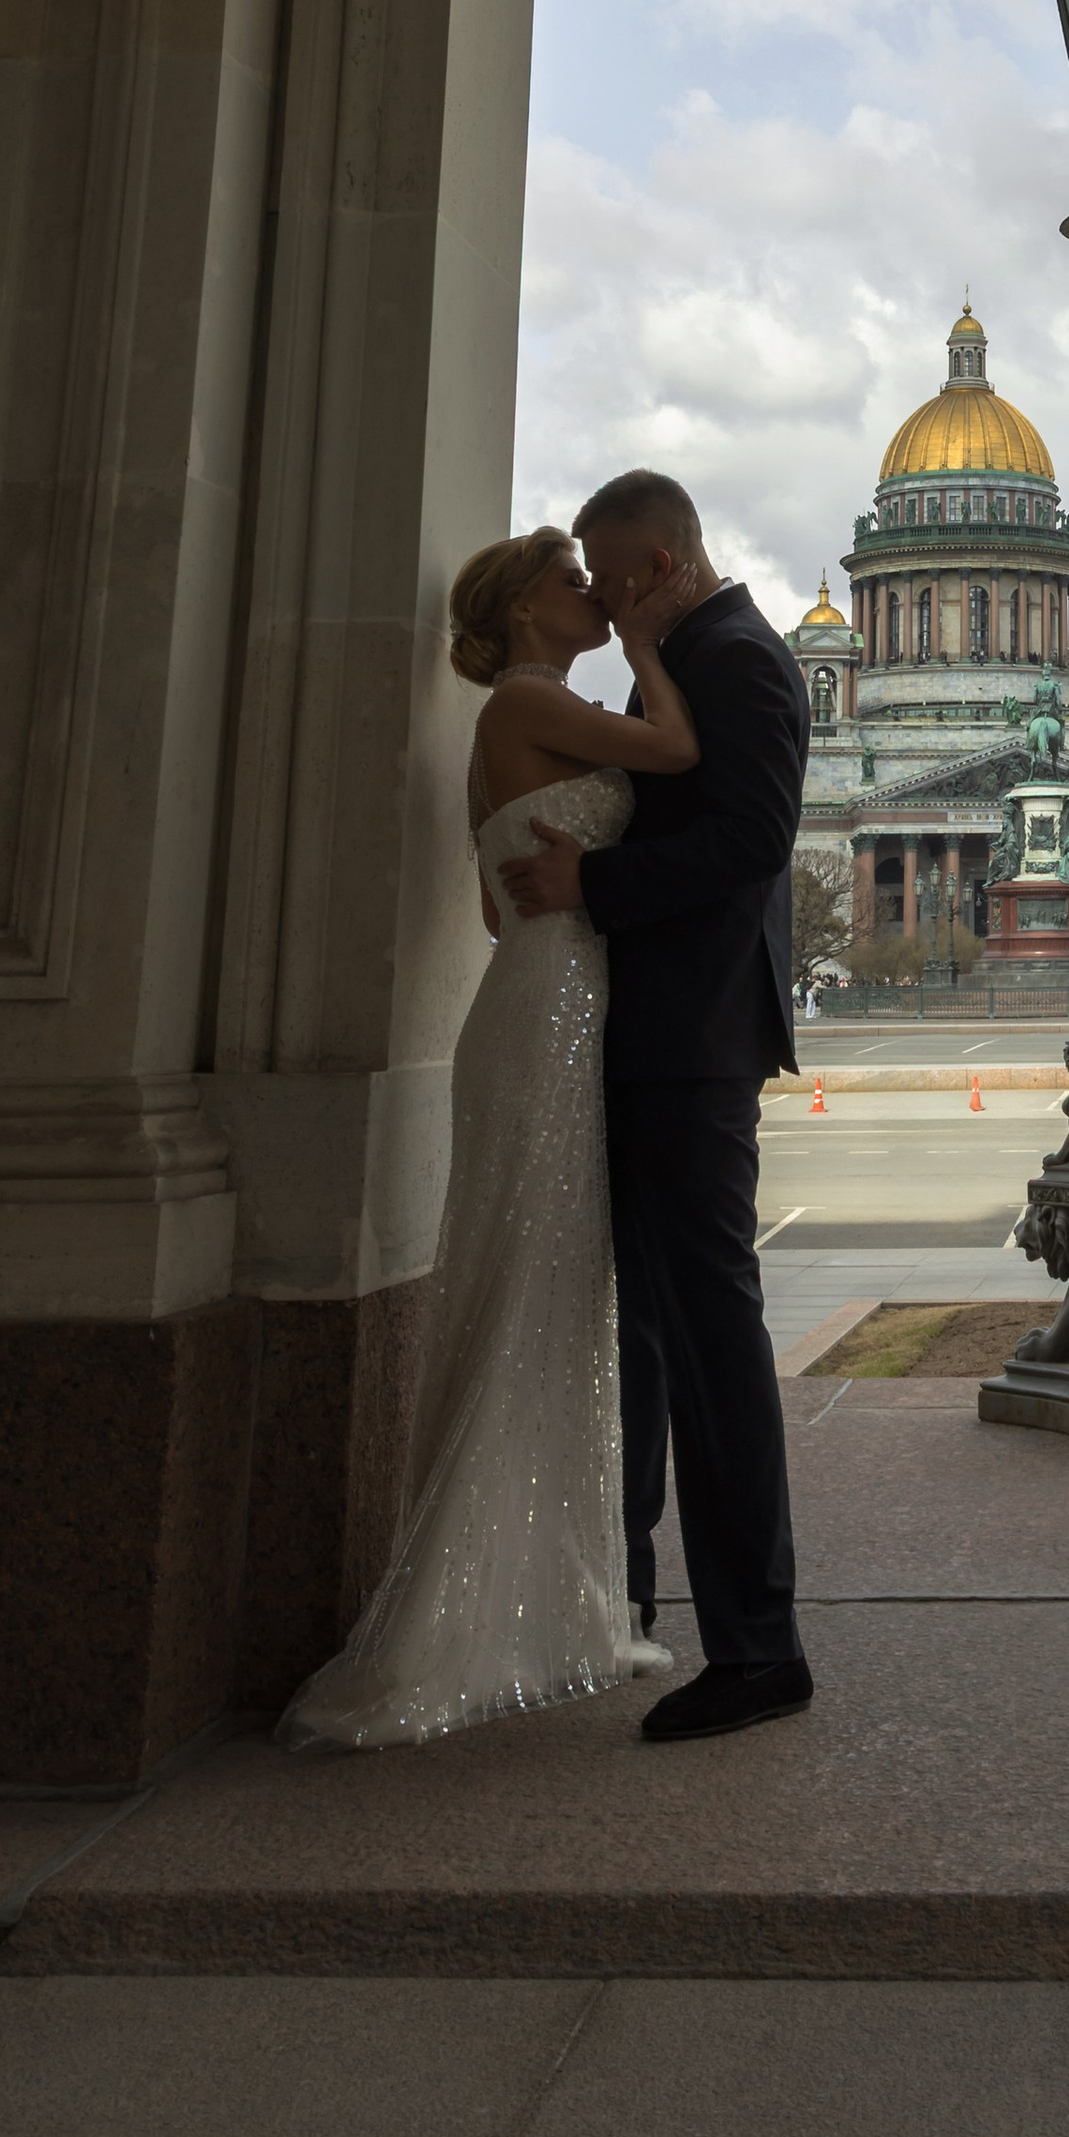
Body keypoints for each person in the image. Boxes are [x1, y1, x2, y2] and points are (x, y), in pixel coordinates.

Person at [276, 529, 703, 1749]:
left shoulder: (526, 714)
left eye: (592, 582)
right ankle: (481, 1615)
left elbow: (487, 892)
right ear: (524, 610)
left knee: (541, 1287)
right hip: (557, 1020)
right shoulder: (531, 699)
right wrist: (646, 637)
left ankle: (530, 1607)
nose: (591, 592)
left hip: (532, 1006)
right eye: (573, 582)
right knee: (538, 1292)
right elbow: (674, 748)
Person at [500, 469, 813, 1744]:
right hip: (644, 1039)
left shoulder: (737, 657)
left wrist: (596, 883)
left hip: (690, 1047)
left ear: (667, 555)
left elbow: (753, 840)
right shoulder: (678, 655)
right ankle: (625, 1596)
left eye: (613, 568)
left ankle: (757, 1645)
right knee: (647, 1337)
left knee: (707, 1340)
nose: (600, 588)